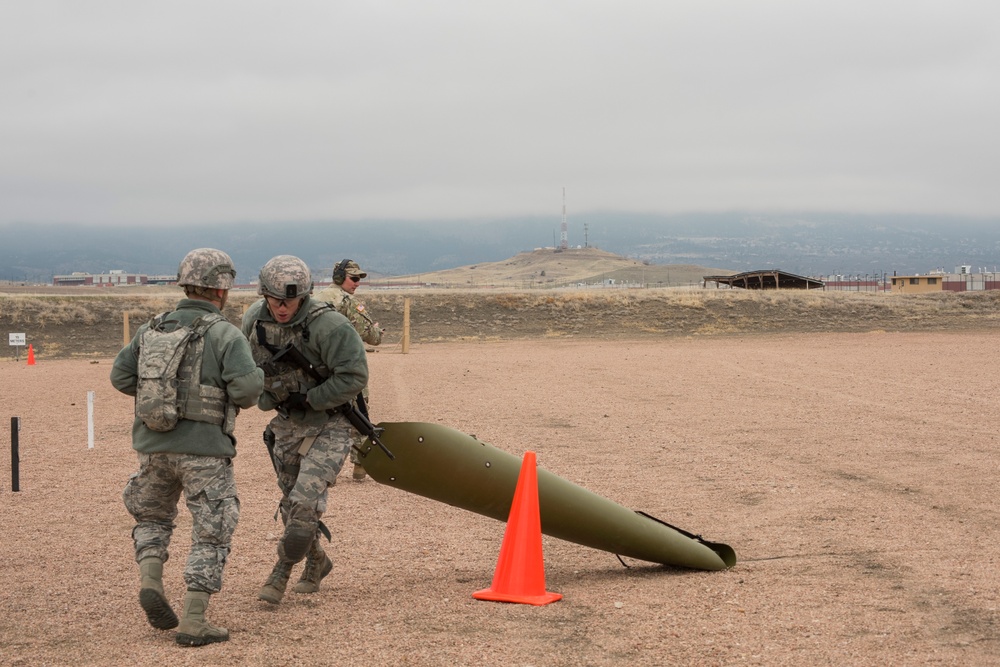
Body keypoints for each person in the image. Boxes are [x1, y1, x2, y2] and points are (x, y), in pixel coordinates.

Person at [111, 248, 264, 646]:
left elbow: (121, 377)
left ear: (185, 283)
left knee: (152, 518)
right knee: (211, 529)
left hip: (152, 447)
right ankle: (194, 621)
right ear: (223, 289)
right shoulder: (224, 333)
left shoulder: (151, 329)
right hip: (205, 451)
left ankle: (151, 581)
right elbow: (247, 392)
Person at [242, 255, 369, 604]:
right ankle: (316, 561)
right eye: (276, 299)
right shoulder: (253, 320)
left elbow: (355, 377)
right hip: (287, 423)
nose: (283, 308)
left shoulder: (331, 326)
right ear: (264, 294)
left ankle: (279, 575)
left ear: (306, 294)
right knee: (290, 504)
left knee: (303, 502)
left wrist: (311, 398)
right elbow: (244, 366)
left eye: (291, 300)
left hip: (332, 423)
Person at [314, 259, 383, 481]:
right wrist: (377, 331)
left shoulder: (314, 300)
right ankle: (360, 465)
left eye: (359, 279)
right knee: (359, 414)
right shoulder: (347, 301)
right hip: (345, 367)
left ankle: (317, 467)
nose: (357, 283)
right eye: (353, 278)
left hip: (317, 368)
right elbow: (373, 337)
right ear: (339, 278)